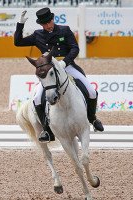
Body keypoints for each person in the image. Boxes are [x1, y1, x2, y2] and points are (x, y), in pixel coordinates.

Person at [14, 7, 104, 143]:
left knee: (91, 91)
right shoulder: (38, 35)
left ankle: (93, 118)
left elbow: (75, 48)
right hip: (50, 70)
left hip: (67, 66)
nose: (47, 26)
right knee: (37, 98)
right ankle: (47, 130)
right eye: (44, 24)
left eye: (49, 22)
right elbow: (18, 42)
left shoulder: (64, 30)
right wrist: (20, 25)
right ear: (41, 24)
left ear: (52, 19)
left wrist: (65, 62)